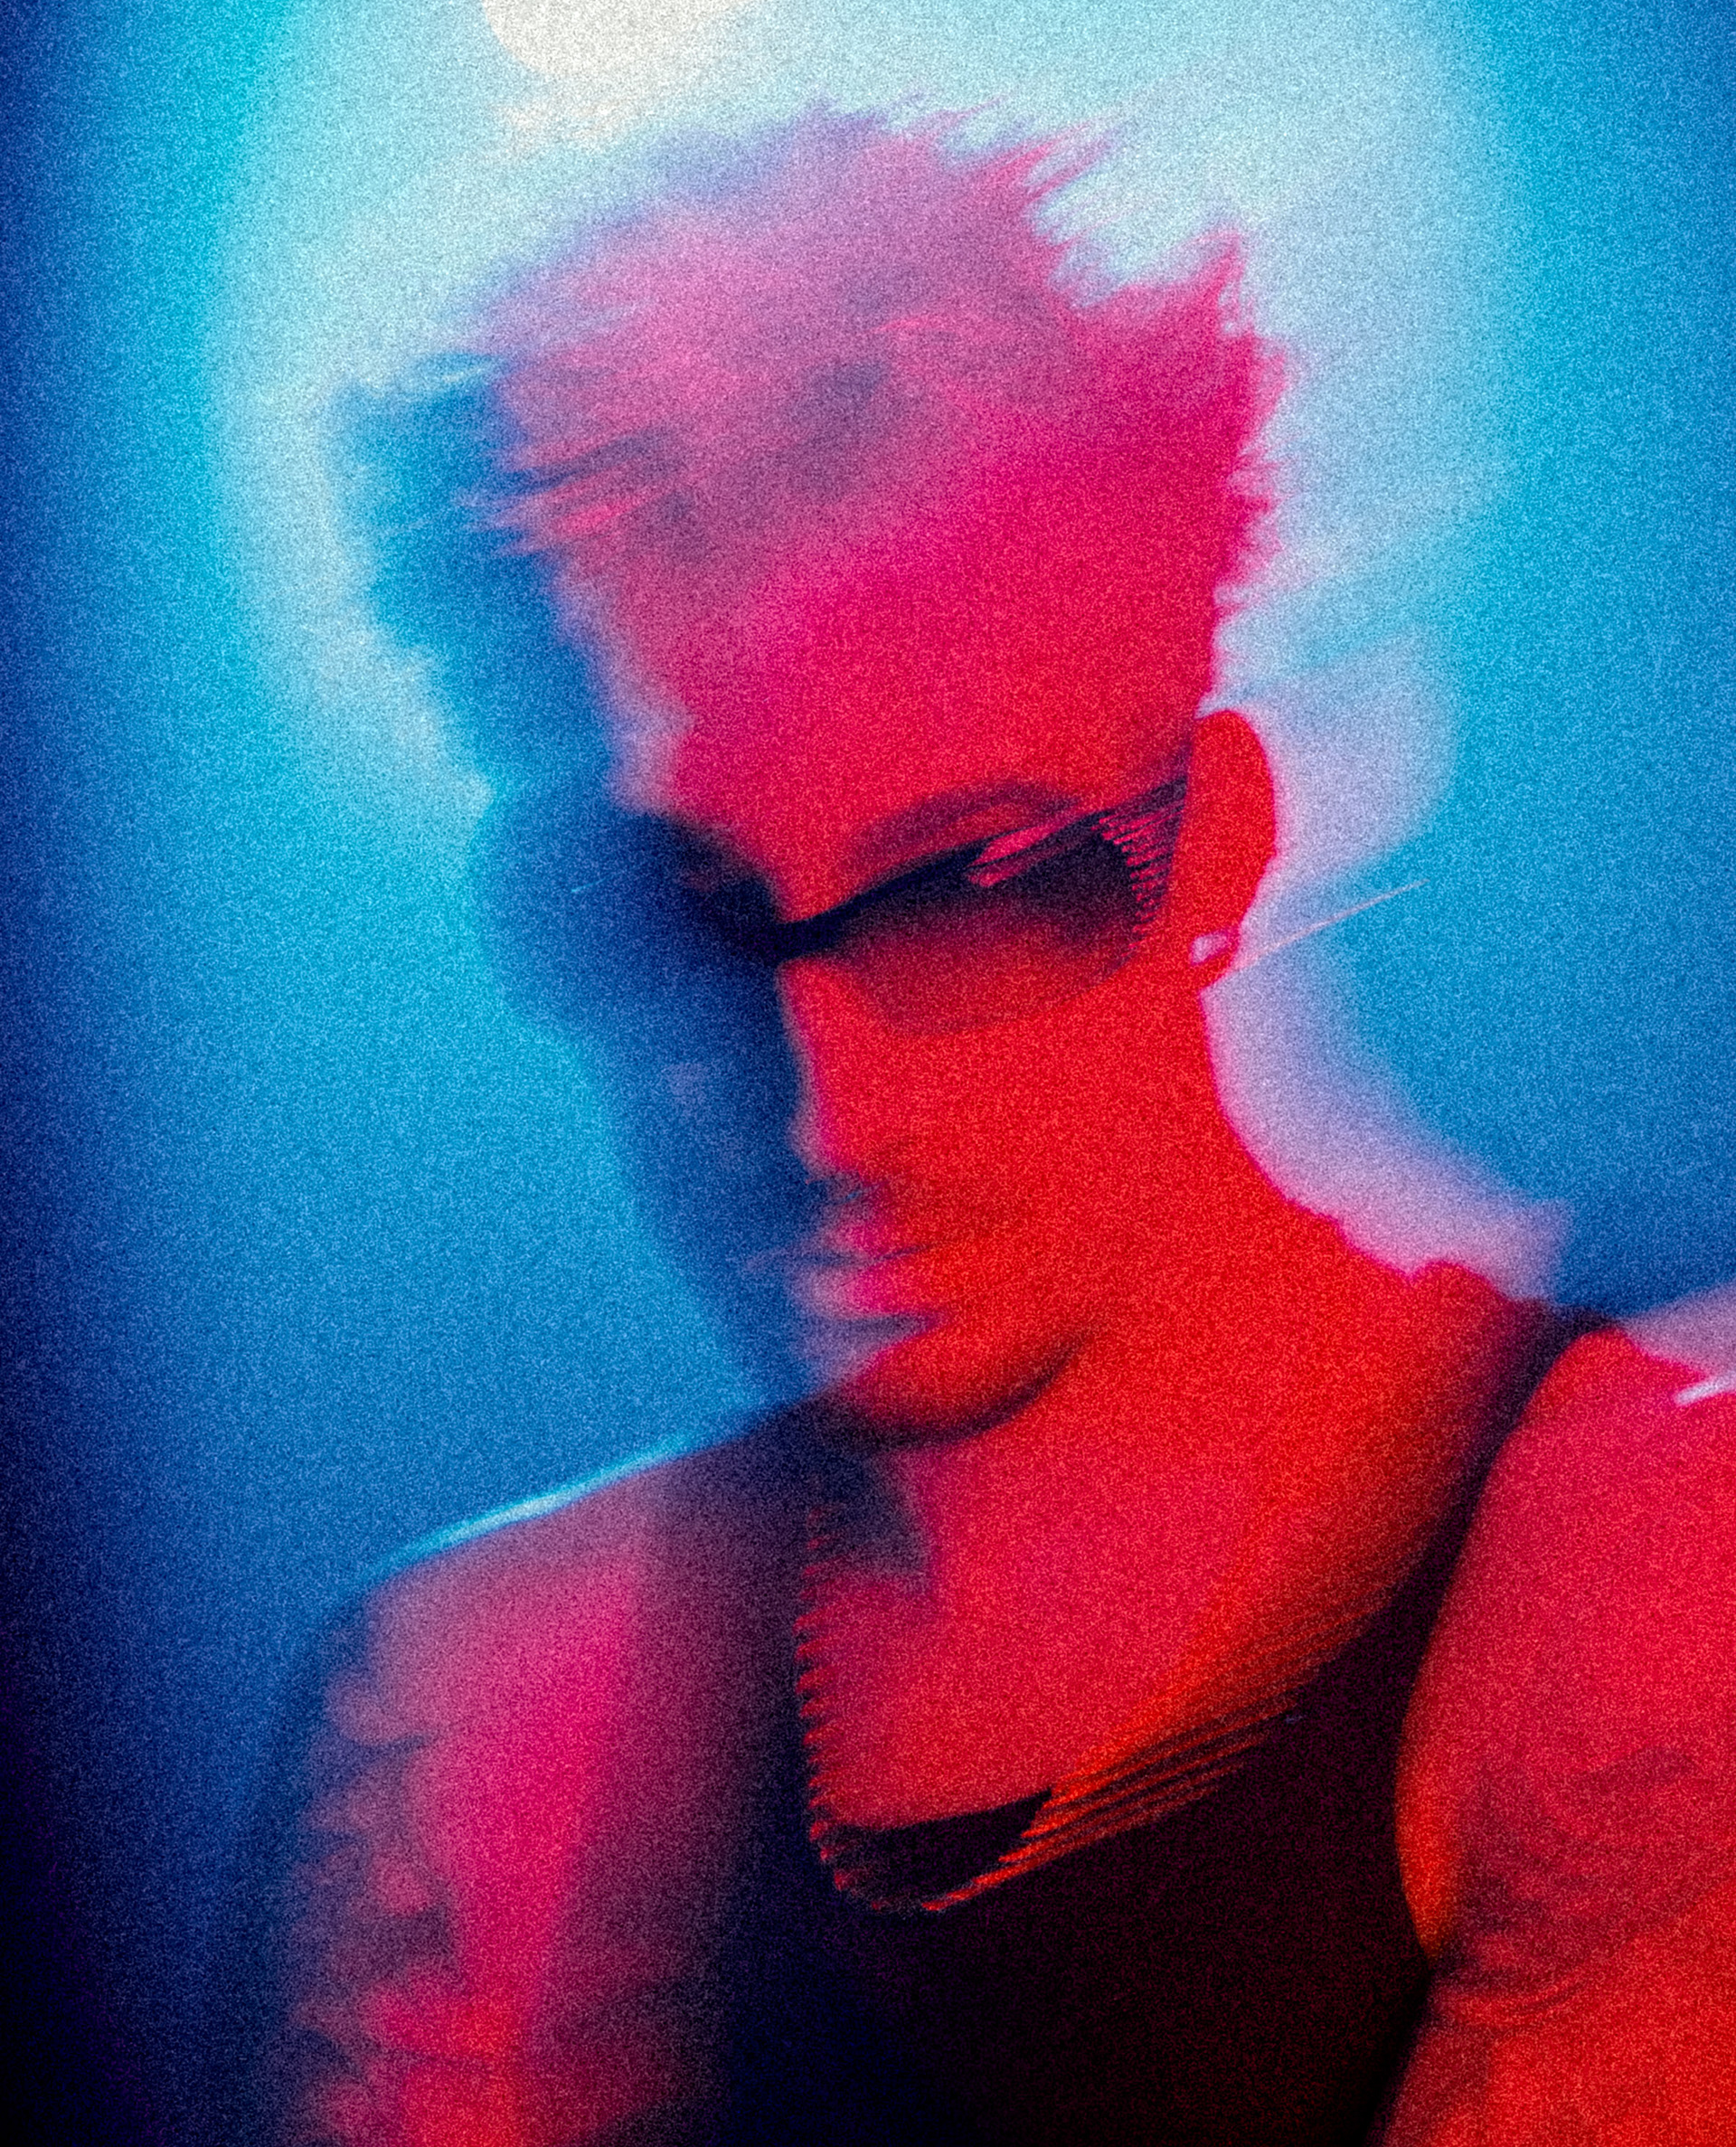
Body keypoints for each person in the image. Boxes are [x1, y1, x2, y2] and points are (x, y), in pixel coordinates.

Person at [221, 109, 1736, 2144]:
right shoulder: (472, 1716)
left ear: (1215, 842)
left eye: (968, 891)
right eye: (682, 917)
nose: (824, 1108)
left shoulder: (1662, 1575)